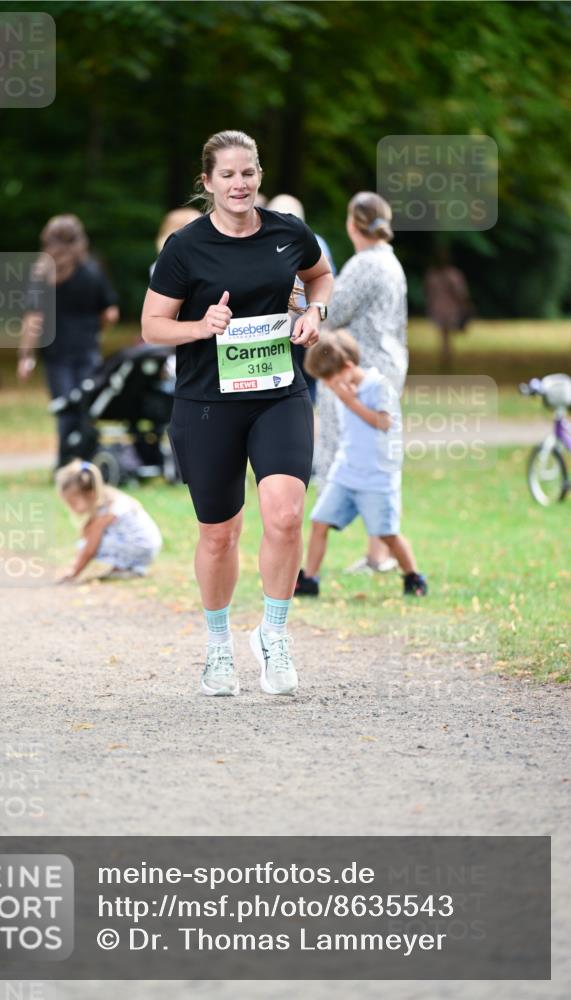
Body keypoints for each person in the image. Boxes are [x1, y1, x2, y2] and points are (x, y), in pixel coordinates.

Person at [141, 129, 333, 697]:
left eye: (247, 172)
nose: (239, 183)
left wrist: (315, 310)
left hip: (278, 393)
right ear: (208, 183)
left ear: (259, 176)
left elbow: (318, 275)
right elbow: (151, 327)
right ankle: (218, 648)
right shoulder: (184, 247)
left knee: (285, 515)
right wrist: (203, 326)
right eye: (226, 175)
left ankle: (274, 635)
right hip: (206, 405)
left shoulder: (287, 232)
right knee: (220, 534)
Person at [315, 191, 408, 576]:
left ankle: (376, 550)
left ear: (353, 223)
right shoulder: (390, 262)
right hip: (389, 364)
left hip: (359, 371)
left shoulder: (363, 265)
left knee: (355, 455)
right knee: (375, 455)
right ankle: (378, 552)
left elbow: (331, 313)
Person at [296, 330, 427, 598]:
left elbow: (384, 422)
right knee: (319, 522)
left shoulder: (378, 386)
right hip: (346, 472)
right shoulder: (344, 390)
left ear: (348, 367)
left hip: (377, 477)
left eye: (330, 379)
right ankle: (309, 579)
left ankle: (413, 576)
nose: (329, 386)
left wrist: (351, 402)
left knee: (387, 533)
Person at [17, 215, 120, 468]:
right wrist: (98, 331)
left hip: (56, 352)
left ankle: (64, 463)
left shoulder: (42, 273)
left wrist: (26, 355)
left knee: (63, 407)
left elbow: (33, 319)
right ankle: (87, 461)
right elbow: (110, 313)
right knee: (86, 406)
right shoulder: (92, 270)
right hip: (87, 349)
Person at [266, 194, 336, 403]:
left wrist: (319, 316)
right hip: (283, 324)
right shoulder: (317, 241)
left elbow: (327, 280)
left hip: (305, 322)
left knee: (306, 380)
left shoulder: (314, 244)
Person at [55, 459, 162, 582]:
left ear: (90, 493)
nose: (70, 508)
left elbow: (90, 549)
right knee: (89, 539)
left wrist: (74, 573)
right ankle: (127, 568)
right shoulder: (109, 498)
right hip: (148, 546)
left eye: (72, 503)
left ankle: (125, 568)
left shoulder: (106, 510)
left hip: (141, 546)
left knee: (86, 543)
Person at [424, 254, 473, 369]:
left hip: (437, 307)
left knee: (444, 335)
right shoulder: (453, 275)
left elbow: (428, 293)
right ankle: (447, 357)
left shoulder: (431, 275)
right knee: (446, 335)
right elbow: (460, 293)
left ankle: (446, 357)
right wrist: (465, 306)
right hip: (449, 308)